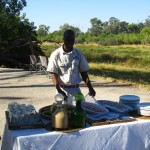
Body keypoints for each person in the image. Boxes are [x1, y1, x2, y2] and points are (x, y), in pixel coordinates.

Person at [47, 29, 96, 105]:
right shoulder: (56, 54)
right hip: (62, 90)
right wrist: (58, 89)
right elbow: (54, 74)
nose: (70, 41)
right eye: (68, 39)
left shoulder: (78, 54)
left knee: (79, 112)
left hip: (76, 91)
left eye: (72, 39)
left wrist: (90, 87)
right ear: (63, 39)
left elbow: (84, 73)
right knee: (63, 114)